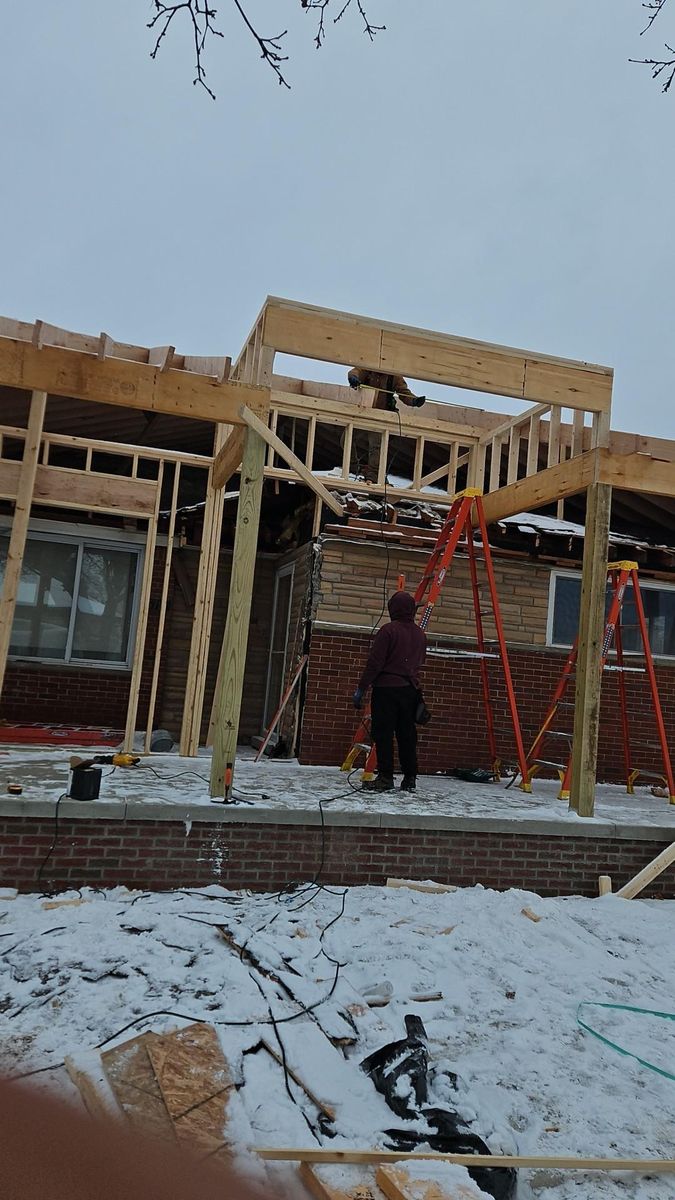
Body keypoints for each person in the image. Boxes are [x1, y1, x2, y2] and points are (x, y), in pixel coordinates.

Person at [352, 591, 427, 792]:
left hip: (387, 690)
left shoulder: (388, 631)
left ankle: (385, 777)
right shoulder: (420, 634)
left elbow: (375, 663)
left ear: (393, 608)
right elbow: (420, 661)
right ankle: (410, 778)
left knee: (383, 734)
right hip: (410, 691)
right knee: (407, 735)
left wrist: (361, 688)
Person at [347, 368, 427, 482]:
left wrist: (414, 401)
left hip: (380, 417)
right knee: (346, 439)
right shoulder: (369, 368)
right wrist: (353, 379)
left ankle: (373, 475)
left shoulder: (394, 376)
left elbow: (403, 392)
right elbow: (356, 372)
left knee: (376, 447)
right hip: (363, 413)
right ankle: (352, 467)